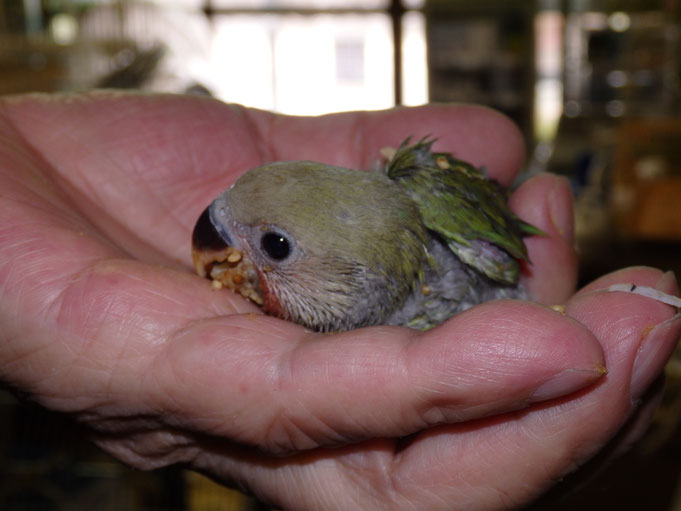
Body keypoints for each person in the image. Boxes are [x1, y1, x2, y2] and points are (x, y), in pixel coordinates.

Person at [0, 90, 678, 511]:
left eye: (274, 244)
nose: (223, 244)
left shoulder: (439, 208)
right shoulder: (325, 319)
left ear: (352, 281)